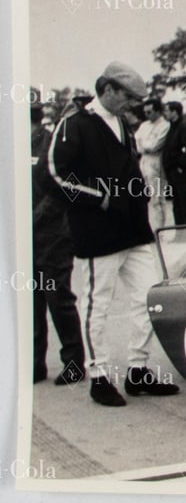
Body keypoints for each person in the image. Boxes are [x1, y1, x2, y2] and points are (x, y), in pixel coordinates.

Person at [45, 62, 179, 405]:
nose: (133, 104)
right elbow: (56, 175)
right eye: (128, 97)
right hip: (97, 233)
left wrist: (140, 194)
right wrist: (101, 199)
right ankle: (99, 375)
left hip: (133, 230)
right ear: (107, 89)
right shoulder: (73, 125)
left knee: (151, 297)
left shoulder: (121, 123)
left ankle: (138, 369)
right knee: (98, 306)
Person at [30, 103, 85, 385]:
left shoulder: (51, 143)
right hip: (27, 236)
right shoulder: (14, 145)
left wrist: (32, 218)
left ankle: (74, 363)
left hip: (53, 233)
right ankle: (35, 363)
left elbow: (66, 189)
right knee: (32, 301)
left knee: (58, 298)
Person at [134, 98, 170, 231]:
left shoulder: (165, 126)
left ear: (157, 111)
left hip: (156, 163)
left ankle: (159, 230)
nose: (146, 114)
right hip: (143, 161)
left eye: (149, 112)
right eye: (145, 112)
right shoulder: (144, 125)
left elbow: (154, 146)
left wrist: (143, 144)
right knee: (140, 195)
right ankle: (143, 228)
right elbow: (136, 142)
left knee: (157, 198)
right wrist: (144, 145)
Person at [162, 101, 186, 225]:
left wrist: (180, 167)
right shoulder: (173, 126)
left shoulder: (184, 126)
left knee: (184, 202)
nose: (164, 113)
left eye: (166, 110)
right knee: (177, 202)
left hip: (179, 171)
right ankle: (181, 232)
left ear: (174, 112)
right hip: (172, 170)